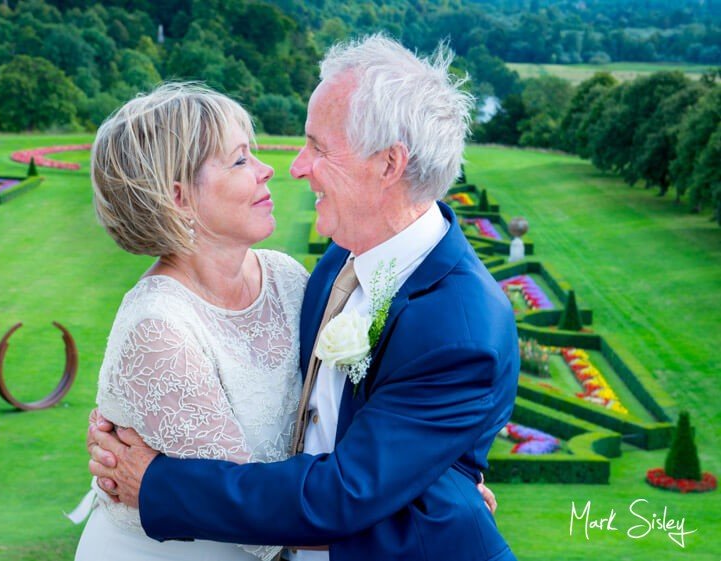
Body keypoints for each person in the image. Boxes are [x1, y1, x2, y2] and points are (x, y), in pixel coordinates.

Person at [89, 34, 517, 561]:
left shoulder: (463, 328)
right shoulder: (333, 265)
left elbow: (344, 493)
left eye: (318, 147)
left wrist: (154, 482)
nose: (292, 166)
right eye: (241, 159)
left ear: (388, 165)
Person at [74, 82, 309, 561]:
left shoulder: (287, 278)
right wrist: (422, 513)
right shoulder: (158, 328)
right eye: (241, 160)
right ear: (179, 197)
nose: (267, 171)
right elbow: (252, 520)